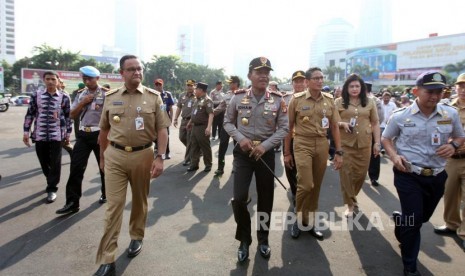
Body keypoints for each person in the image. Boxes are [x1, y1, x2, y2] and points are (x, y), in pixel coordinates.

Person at [381, 71, 465, 276]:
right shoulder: (400, 116)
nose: (435, 96)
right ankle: (410, 267)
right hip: (408, 174)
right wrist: (394, 157)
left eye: (439, 91)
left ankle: (402, 221)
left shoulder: (450, 114)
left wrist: (453, 145)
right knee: (415, 219)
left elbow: (460, 136)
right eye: (430, 91)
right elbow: (386, 139)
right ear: (416, 91)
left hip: (437, 175)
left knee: (422, 217)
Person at [94, 55, 170, 276]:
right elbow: (104, 131)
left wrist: (160, 157)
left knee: (139, 201)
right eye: (131, 69)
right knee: (113, 206)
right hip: (115, 156)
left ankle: (137, 236)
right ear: (121, 73)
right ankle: (107, 258)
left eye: (139, 68)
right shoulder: (111, 97)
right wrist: (102, 156)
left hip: (143, 155)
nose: (136, 72)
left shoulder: (153, 98)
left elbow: (162, 130)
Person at [224, 57, 288, 262]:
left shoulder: (278, 99)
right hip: (243, 154)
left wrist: (265, 146)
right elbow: (227, 122)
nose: (264, 75)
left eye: (267, 72)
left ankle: (263, 239)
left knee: (266, 198)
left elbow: (285, 128)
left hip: (265, 154)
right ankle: (244, 239)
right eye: (259, 72)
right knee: (239, 198)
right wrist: (241, 139)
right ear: (249, 75)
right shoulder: (237, 97)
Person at [285, 67, 343, 240]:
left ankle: (308, 221)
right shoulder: (296, 100)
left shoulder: (329, 99)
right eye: (316, 78)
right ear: (307, 82)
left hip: (322, 143)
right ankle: (298, 218)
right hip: (302, 142)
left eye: (321, 78)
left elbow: (334, 127)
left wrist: (339, 151)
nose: (320, 81)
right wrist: (286, 152)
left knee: (316, 186)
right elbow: (288, 128)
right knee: (306, 184)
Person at [56, 66, 108, 215]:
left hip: (100, 135)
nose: (87, 81)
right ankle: (72, 202)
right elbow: (72, 114)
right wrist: (82, 102)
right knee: (76, 168)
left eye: (90, 78)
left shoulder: (106, 94)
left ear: (97, 78)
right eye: (84, 78)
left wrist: (105, 134)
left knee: (104, 167)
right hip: (83, 135)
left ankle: (106, 193)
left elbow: (111, 116)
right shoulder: (81, 94)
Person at [22, 71, 72, 203]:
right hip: (40, 135)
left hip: (57, 135)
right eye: (48, 79)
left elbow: (68, 117)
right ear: (44, 80)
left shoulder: (64, 97)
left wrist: (68, 134)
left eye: (53, 79)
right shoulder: (36, 95)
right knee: (43, 161)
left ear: (57, 80)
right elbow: (30, 114)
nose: (50, 81)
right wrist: (26, 132)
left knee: (55, 162)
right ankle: (50, 178)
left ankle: (52, 188)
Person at [335, 74, 381, 217]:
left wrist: (377, 142)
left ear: (362, 88)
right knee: (347, 174)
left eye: (357, 86)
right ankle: (350, 205)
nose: (354, 89)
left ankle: (352, 196)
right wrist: (342, 124)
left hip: (365, 144)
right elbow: (333, 123)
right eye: (351, 86)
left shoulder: (370, 102)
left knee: (361, 175)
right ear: (346, 88)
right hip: (345, 144)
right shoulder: (339, 102)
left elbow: (375, 123)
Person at [433, 73, 465, 251]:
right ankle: (452, 224)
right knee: (450, 194)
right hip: (451, 160)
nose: (463, 90)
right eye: (461, 86)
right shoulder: (446, 108)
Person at [282, 70, 306, 206]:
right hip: (288, 137)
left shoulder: (310, 98)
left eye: (301, 81)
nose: (299, 84)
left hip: (304, 138)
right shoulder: (284, 98)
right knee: (290, 166)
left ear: (306, 82)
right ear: (292, 83)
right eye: (296, 81)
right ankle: (295, 192)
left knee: (304, 168)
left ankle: (302, 194)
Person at [213, 76, 240, 176]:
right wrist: (211, 113)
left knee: (237, 148)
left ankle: (236, 166)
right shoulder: (227, 95)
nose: (229, 85)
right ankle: (220, 167)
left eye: (231, 83)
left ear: (236, 84)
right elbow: (220, 107)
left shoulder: (243, 95)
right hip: (226, 124)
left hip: (238, 126)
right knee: (222, 146)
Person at [186, 82, 214, 172]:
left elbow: (211, 114)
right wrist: (190, 122)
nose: (195, 90)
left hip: (203, 127)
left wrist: (208, 127)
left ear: (201, 90)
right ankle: (194, 164)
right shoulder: (197, 99)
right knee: (194, 146)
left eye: (196, 89)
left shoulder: (207, 100)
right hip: (195, 126)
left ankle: (208, 164)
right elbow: (194, 112)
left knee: (205, 146)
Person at [173, 80, 196, 166]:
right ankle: (195, 150)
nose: (189, 87)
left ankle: (187, 159)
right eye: (188, 85)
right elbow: (179, 107)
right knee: (182, 137)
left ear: (194, 86)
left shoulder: (196, 96)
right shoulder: (182, 95)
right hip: (183, 120)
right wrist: (175, 118)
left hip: (192, 121)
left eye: (191, 85)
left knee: (190, 140)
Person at [366, 82, 384, 187]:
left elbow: (379, 118)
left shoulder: (374, 100)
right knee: (374, 155)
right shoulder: (376, 100)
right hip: (372, 130)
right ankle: (373, 177)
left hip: (370, 131)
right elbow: (381, 117)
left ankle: (372, 177)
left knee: (373, 154)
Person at [154, 78, 174, 159]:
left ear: (162, 85)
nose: (158, 86)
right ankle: (158, 150)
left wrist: (171, 119)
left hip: (165, 117)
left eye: (160, 84)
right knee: (155, 135)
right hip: (155, 118)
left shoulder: (167, 94)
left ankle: (167, 152)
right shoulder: (153, 94)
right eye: (157, 85)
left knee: (165, 135)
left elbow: (171, 108)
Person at [58, 78, 74, 156]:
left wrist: (68, 132)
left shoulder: (64, 95)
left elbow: (68, 114)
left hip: (61, 126)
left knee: (66, 145)